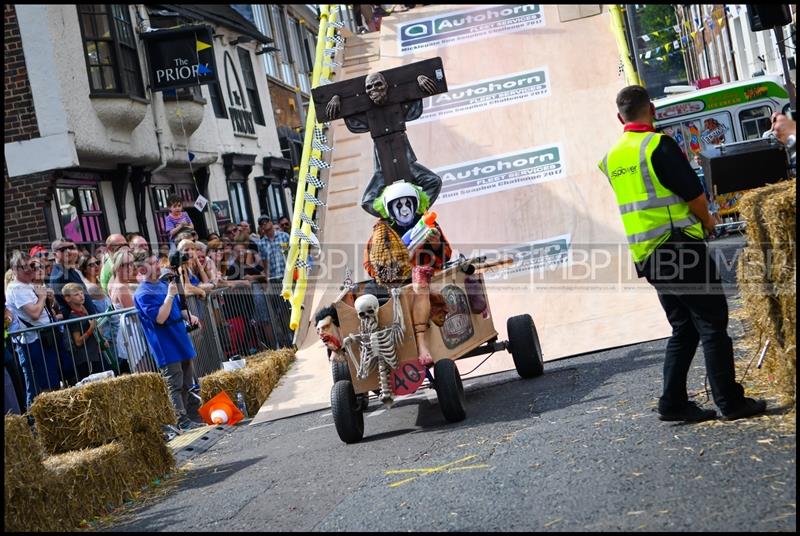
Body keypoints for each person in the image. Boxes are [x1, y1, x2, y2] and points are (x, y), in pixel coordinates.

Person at [598, 85, 767, 422]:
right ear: (653, 109)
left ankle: (672, 403)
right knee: (712, 322)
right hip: (678, 247)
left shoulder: (611, 158)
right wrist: (708, 223)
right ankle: (730, 402)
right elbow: (693, 194)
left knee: (684, 328)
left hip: (648, 254)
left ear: (620, 117)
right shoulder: (657, 145)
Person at [133, 253, 203, 430]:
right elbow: (160, 318)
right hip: (165, 342)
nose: (157, 266)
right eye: (151, 263)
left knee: (188, 379)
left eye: (156, 262)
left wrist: (189, 316)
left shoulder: (164, 284)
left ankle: (191, 415)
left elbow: (176, 310)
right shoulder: (142, 293)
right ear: (141, 269)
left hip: (179, 336)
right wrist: (170, 296)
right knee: (175, 383)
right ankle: (181, 420)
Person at [6, 252, 67, 407]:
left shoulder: (28, 285)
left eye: (31, 265)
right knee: (37, 387)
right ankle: (35, 424)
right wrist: (41, 298)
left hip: (44, 339)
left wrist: (49, 299)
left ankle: (53, 417)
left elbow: (44, 312)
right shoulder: (16, 288)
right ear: (14, 269)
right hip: (31, 342)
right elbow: (34, 314)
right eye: (23, 266)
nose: (29, 269)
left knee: (51, 381)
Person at [62, 282, 115, 380]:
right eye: (76, 294)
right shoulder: (74, 317)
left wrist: (101, 340)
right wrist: (90, 330)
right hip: (86, 358)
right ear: (68, 298)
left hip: (95, 354)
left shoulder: (84, 312)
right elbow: (78, 342)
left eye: (82, 293)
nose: (81, 296)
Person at [49, 238, 98, 317]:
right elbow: (73, 305)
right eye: (63, 249)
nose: (68, 251)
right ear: (55, 254)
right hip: (81, 324)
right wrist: (90, 322)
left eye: (71, 248)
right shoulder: (60, 276)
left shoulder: (71, 271)